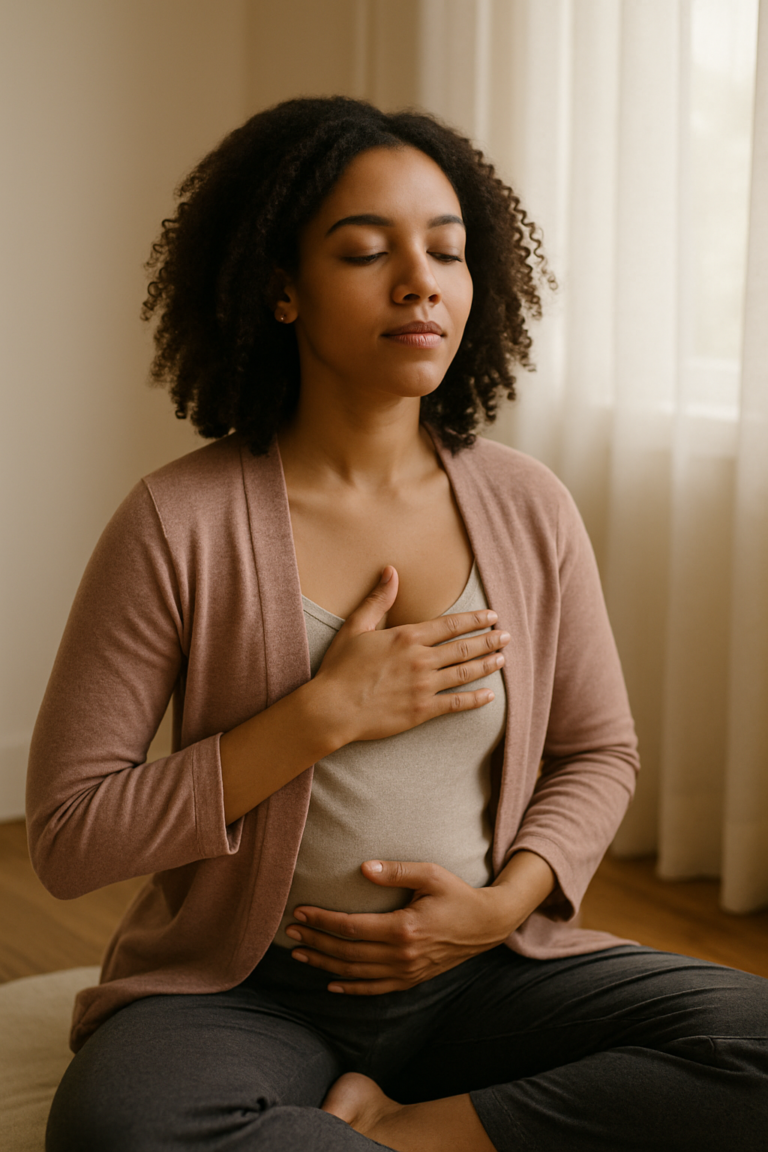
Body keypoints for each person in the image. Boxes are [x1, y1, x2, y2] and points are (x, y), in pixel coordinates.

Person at [28, 96, 767, 1151]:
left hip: (478, 973)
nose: (421, 279)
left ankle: (410, 1130)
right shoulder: (176, 520)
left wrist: (502, 907)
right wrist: (319, 716)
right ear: (279, 289)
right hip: (247, 992)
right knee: (119, 1129)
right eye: (366, 251)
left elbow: (599, 750)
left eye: (449, 250)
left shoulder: (529, 503)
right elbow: (66, 836)